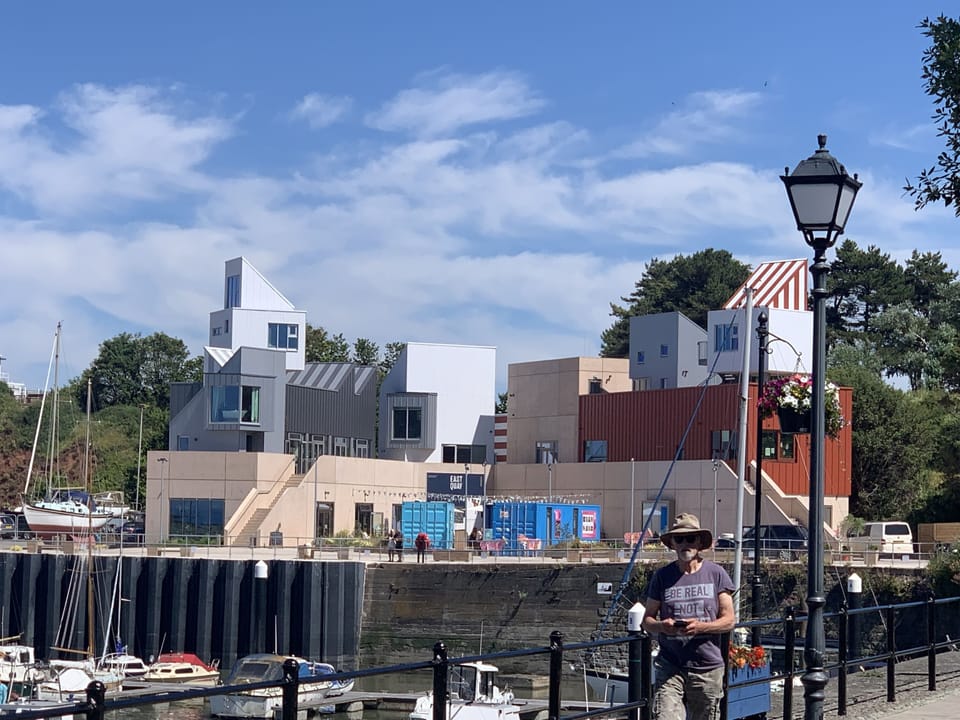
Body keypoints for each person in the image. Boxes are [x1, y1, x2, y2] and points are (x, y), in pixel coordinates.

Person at [641, 513, 735, 720]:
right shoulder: (662, 576)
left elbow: (729, 620)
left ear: (700, 542)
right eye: (679, 539)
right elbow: (647, 620)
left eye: (690, 538)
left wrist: (701, 627)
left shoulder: (716, 574)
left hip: (707, 666)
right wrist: (662, 626)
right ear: (673, 544)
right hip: (670, 664)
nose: (685, 544)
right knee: (664, 715)